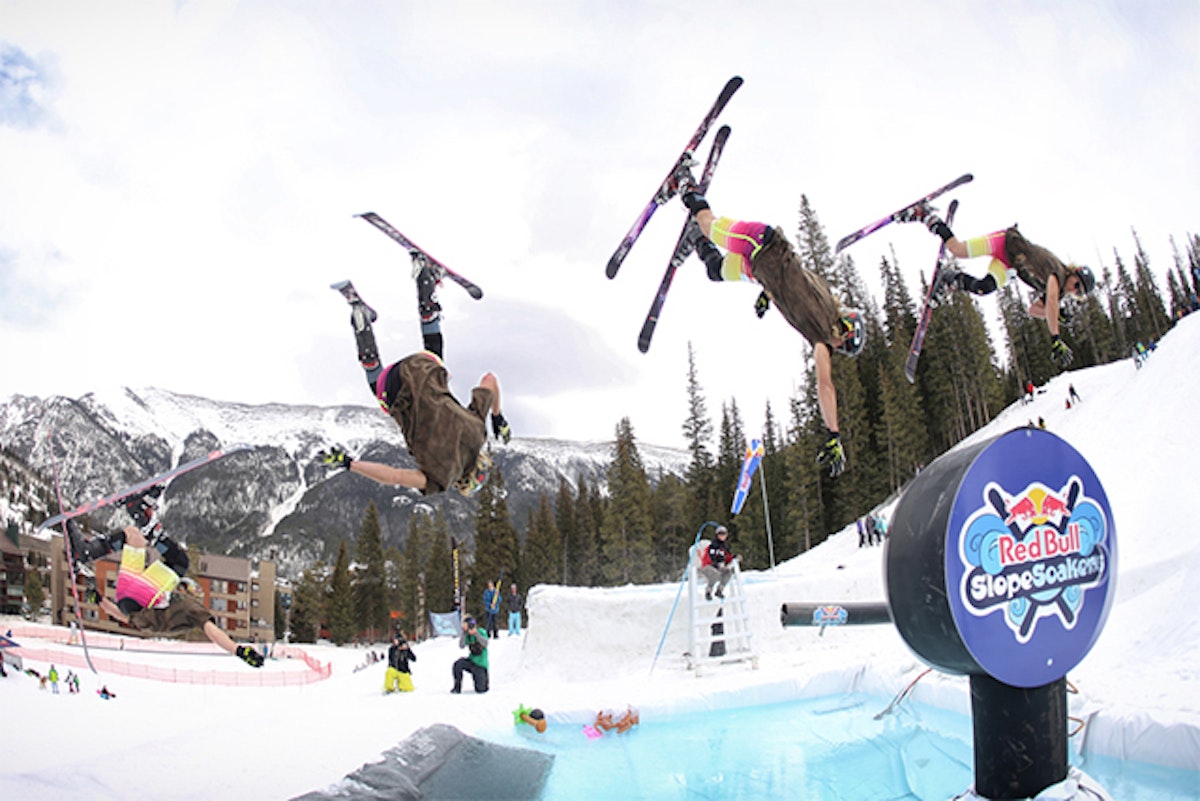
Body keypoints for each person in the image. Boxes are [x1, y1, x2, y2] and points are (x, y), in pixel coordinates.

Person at [678, 182, 864, 478]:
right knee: (710, 224)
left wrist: (769, 293)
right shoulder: (823, 332)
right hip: (760, 244)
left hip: (759, 268)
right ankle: (687, 187)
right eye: (842, 344)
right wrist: (834, 434)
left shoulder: (824, 302)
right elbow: (825, 385)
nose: (836, 348)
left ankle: (696, 240)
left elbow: (794, 284)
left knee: (717, 271)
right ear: (844, 330)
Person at [320, 262, 511, 497]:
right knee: (377, 387)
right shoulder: (440, 479)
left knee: (434, 355)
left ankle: (424, 278)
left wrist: (497, 416)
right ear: (462, 483)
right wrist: (350, 464)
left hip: (423, 367)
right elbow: (394, 476)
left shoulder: (478, 429)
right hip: (394, 386)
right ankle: (360, 318)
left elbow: (490, 379)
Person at [898, 206, 1096, 367]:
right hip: (1004, 242)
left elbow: (1034, 309)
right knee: (956, 249)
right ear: (1074, 273)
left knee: (984, 287)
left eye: (1079, 292)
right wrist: (1055, 337)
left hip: (1007, 265)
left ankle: (950, 279)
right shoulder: (1058, 272)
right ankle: (925, 215)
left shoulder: (1060, 289)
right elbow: (1051, 301)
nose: (1075, 290)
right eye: (1077, 285)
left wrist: (1054, 315)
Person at [69, 523, 264, 668]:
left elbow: (214, 633)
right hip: (125, 596)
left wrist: (237, 650)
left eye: (190, 589)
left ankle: (151, 528)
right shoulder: (165, 613)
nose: (187, 589)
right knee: (133, 535)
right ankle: (87, 551)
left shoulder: (192, 610)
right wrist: (101, 600)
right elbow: (122, 616)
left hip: (140, 595)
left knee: (179, 562)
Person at [451, 615, 489, 694]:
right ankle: (457, 687)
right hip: (471, 661)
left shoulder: (481, 631)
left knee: (481, 689)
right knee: (458, 665)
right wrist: (464, 633)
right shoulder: (467, 635)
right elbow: (461, 645)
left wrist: (476, 634)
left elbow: (485, 643)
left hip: (480, 664)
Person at [700, 526, 739, 601]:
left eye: (724, 534)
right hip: (708, 566)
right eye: (720, 534)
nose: (722, 536)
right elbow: (708, 556)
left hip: (718, 567)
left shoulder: (724, 547)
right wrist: (715, 563)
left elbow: (727, 556)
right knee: (714, 575)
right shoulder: (712, 546)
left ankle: (719, 590)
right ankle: (708, 592)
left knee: (728, 573)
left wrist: (734, 557)